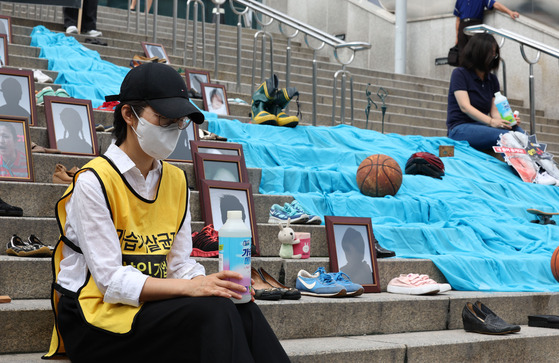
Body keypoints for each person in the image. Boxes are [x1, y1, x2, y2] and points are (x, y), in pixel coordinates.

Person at [44, 63, 289, 363]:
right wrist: (191, 288)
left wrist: (212, 284)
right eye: (164, 119)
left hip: (149, 308)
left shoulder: (175, 181)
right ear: (128, 115)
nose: (173, 129)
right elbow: (111, 281)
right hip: (95, 318)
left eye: (179, 121)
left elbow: (180, 264)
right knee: (214, 310)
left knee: (237, 304)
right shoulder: (93, 180)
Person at [446, 33, 524, 151]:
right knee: (506, 137)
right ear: (478, 53)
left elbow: (495, 112)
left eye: (494, 53)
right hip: (459, 129)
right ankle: (518, 169)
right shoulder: (460, 74)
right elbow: (464, 107)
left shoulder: (492, 79)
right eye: (490, 52)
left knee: (521, 135)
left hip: (483, 127)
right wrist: (491, 122)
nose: (493, 56)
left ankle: (540, 167)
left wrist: (508, 121)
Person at [454, 0, 519, 55]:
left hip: (475, 25)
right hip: (462, 26)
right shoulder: (459, 1)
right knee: (462, 53)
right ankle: (462, 69)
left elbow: (495, 4)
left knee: (476, 52)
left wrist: (510, 12)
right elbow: (458, 20)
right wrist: (457, 37)